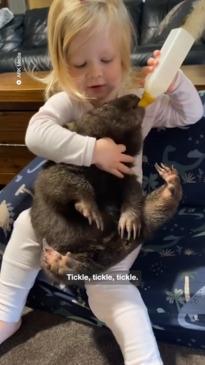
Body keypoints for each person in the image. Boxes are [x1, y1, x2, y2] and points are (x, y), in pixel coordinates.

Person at [0, 1, 203, 364]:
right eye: (80, 65)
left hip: (117, 219)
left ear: (125, 57)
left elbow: (192, 114)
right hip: (66, 211)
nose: (95, 74)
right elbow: (35, 135)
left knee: (110, 285)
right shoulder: (71, 102)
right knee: (25, 227)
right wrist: (93, 151)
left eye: (106, 60)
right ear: (62, 66)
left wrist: (175, 81)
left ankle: (144, 357)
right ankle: (6, 314)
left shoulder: (140, 102)